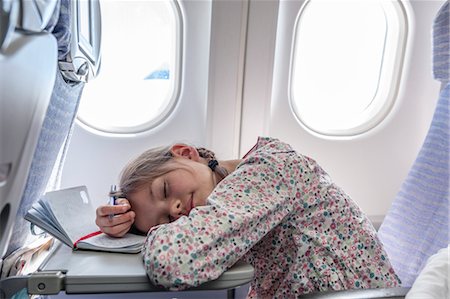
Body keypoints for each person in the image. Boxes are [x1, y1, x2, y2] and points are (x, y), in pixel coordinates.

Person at [96, 137, 401, 298]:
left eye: (164, 189)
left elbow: (172, 261)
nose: (175, 210)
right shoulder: (232, 195)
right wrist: (125, 217)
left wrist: (153, 231)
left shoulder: (265, 172)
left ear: (185, 152)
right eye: (164, 222)